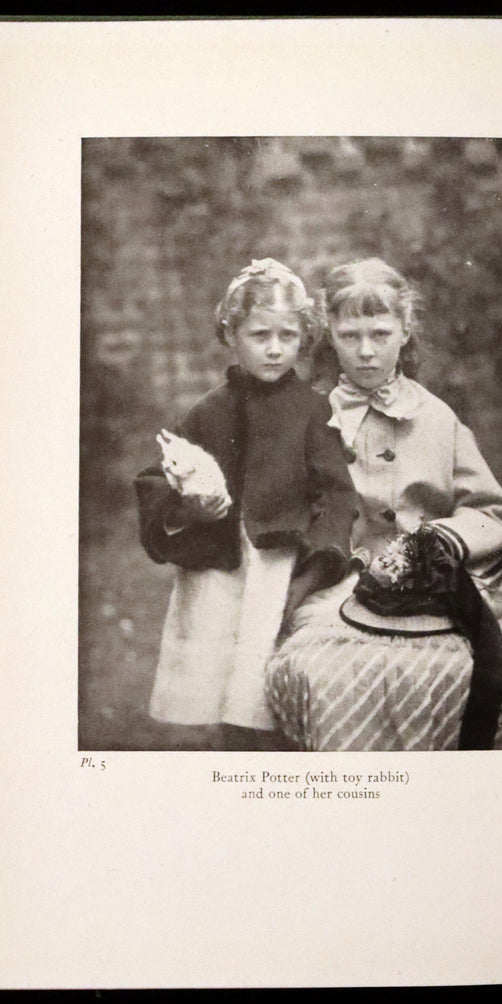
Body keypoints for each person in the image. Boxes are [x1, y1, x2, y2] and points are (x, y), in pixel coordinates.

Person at [266, 258, 502, 751]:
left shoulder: (437, 418)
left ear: (406, 330)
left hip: (436, 590)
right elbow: (282, 512)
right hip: (342, 588)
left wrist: (446, 539)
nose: (367, 351)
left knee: (459, 673)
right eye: (350, 335)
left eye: (380, 332)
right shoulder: (309, 417)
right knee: (329, 674)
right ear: (329, 333)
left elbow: (488, 512)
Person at [134, 258, 358, 750]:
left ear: (304, 337)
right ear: (231, 333)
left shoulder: (312, 410)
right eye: (260, 334)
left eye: (288, 335)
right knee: (219, 685)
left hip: (277, 568)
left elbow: (337, 493)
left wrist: (317, 563)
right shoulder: (210, 410)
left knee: (266, 687)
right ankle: (231, 765)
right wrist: (188, 509)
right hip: (218, 567)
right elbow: (158, 478)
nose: (276, 348)